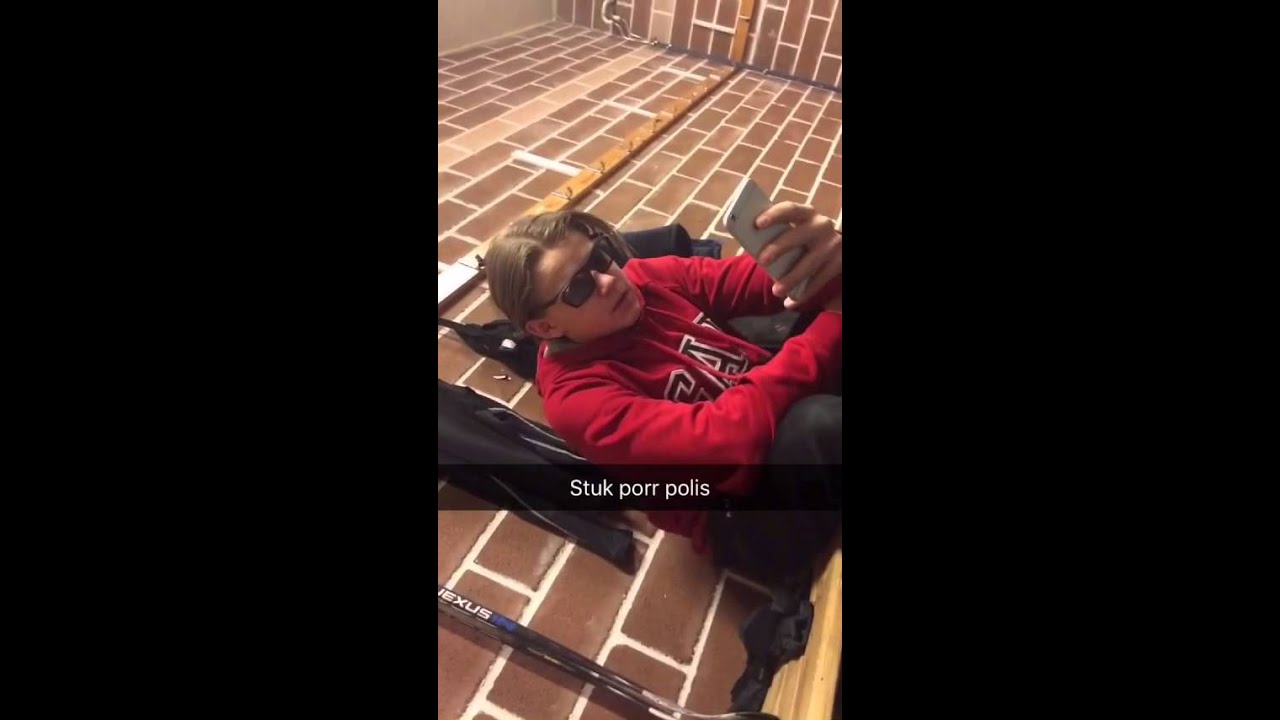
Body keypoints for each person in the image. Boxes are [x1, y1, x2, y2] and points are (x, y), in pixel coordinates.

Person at [485, 203, 842, 583]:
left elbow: (750, 280)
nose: (608, 281)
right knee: (821, 421)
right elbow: (727, 439)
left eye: (599, 257)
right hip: (740, 508)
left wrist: (815, 257)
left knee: (808, 299)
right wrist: (833, 319)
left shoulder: (641, 280)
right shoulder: (576, 400)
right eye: (579, 289)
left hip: (760, 406)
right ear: (545, 328)